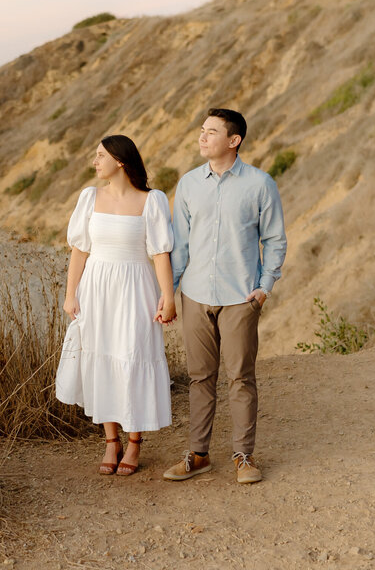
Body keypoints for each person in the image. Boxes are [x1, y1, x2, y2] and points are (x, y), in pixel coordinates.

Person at [163, 108, 287, 484]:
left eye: (211, 132)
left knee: (240, 378)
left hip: (240, 298)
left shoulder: (260, 184)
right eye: (202, 130)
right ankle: (199, 455)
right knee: (200, 377)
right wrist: (169, 293)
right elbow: (179, 246)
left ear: (234, 141)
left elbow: (275, 239)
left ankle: (243, 457)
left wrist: (264, 288)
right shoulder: (187, 185)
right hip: (196, 296)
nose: (202, 137)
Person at [55, 134, 176, 476]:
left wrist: (168, 298)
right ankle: (111, 440)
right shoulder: (89, 197)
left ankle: (135, 441)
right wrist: (70, 294)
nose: (94, 162)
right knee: (100, 358)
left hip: (136, 289)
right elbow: (80, 250)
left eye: (100, 156)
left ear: (120, 161)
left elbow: (160, 253)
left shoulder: (152, 200)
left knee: (132, 356)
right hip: (96, 289)